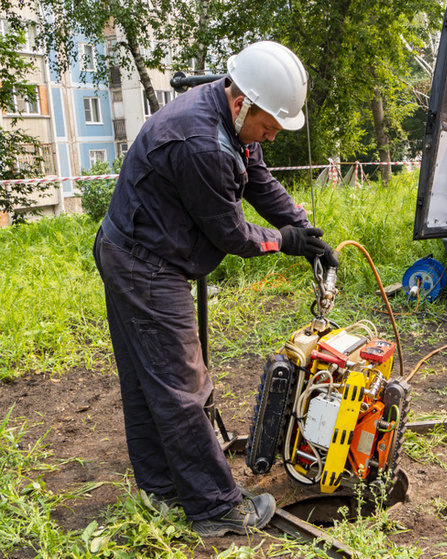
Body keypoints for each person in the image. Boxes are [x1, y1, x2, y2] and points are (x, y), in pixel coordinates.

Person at [92, 41, 337, 537]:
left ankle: (162, 487)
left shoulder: (232, 115)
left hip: (133, 248)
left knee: (149, 379)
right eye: (269, 124)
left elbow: (258, 179)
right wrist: (283, 242)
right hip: (144, 265)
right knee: (183, 386)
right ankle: (215, 507)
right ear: (243, 101)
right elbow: (230, 234)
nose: (271, 133)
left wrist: (305, 232)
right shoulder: (200, 143)